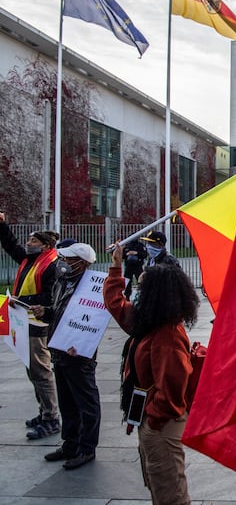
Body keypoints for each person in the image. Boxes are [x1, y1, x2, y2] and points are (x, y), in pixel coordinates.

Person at [103, 242, 197, 505]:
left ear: (157, 295)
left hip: (162, 424)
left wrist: (153, 421)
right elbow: (117, 305)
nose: (138, 293)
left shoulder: (167, 334)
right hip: (150, 419)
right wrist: (115, 267)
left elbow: (172, 390)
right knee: (157, 483)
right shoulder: (149, 321)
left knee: (170, 491)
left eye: (144, 288)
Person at [31, 242, 100, 470]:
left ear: (82, 263)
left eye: (70, 259)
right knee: (67, 401)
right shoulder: (63, 282)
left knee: (86, 403)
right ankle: (70, 443)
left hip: (79, 354)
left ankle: (86, 448)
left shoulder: (92, 287)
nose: (64, 262)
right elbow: (60, 311)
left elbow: (93, 322)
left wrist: (81, 344)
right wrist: (46, 311)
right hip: (59, 350)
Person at [0, 212, 61, 439]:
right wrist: (3, 226)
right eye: (28, 240)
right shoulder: (30, 260)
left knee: (41, 371)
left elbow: (50, 297)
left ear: (45, 246)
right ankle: (44, 410)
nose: (28, 243)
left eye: (33, 241)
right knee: (32, 370)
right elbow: (10, 245)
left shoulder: (51, 266)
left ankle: (51, 418)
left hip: (37, 324)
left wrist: (21, 301)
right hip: (23, 322)